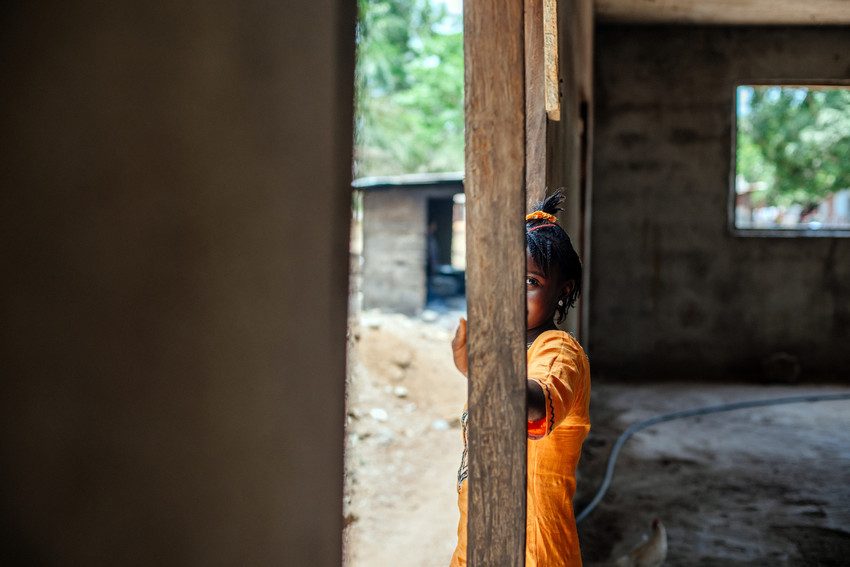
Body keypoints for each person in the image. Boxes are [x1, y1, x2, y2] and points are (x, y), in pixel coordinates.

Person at [448, 191, 591, 567]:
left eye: (530, 281)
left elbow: (533, 404)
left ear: (564, 289)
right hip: (479, 542)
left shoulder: (559, 351)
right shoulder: (508, 352)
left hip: (534, 552)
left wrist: (488, 373)